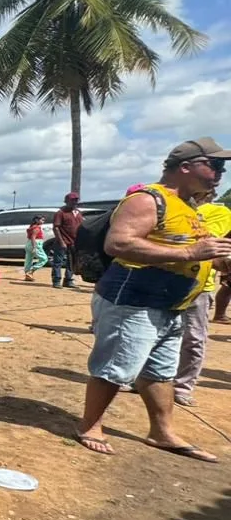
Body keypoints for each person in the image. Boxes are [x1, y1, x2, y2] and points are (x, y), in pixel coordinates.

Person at [75, 138, 231, 463]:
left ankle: (162, 432)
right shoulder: (148, 199)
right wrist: (190, 252)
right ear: (186, 166)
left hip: (170, 304)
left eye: (222, 167)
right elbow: (118, 244)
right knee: (118, 366)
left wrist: (215, 260)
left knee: (161, 371)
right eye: (213, 165)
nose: (220, 172)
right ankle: (91, 426)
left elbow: (190, 250)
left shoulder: (189, 207)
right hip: (133, 300)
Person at [173, 191, 231, 407]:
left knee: (193, 338)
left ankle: (182, 387)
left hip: (199, 286)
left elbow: (221, 242)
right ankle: (144, 379)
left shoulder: (220, 212)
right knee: (157, 336)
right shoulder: (171, 208)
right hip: (165, 280)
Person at [51, 192, 84, 288]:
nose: (75, 202)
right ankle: (56, 280)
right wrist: (61, 241)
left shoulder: (78, 213)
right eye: (72, 200)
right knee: (58, 262)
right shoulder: (60, 213)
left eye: (76, 200)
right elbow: (56, 228)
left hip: (74, 242)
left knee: (71, 262)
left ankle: (68, 280)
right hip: (63, 241)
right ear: (66, 201)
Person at [23, 215, 49, 281]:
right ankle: (31, 271)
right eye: (42, 220)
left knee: (29, 260)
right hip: (35, 244)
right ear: (37, 220)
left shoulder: (31, 227)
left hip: (29, 244)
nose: (43, 221)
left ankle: (27, 275)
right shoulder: (37, 228)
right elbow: (33, 237)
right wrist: (35, 247)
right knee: (44, 259)